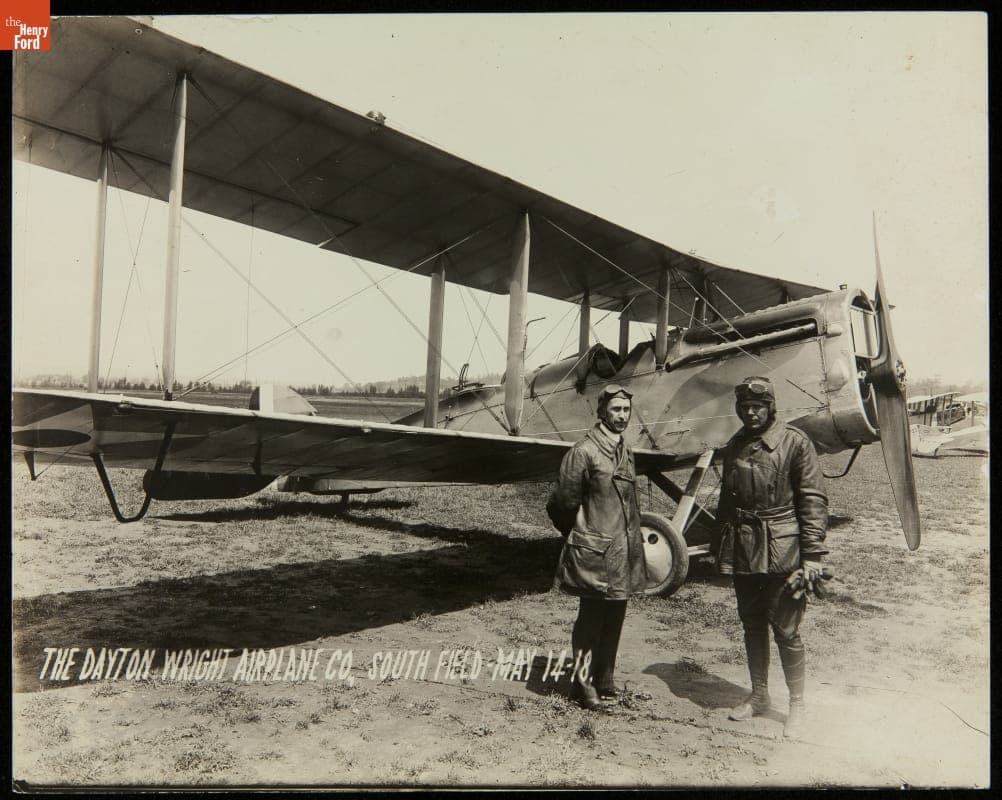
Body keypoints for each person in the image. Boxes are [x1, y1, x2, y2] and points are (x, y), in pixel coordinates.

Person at [713, 376, 829, 739]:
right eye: (745, 407)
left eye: (758, 407)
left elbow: (812, 500)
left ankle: (797, 705)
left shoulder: (795, 443)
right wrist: (722, 547)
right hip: (744, 548)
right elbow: (725, 503)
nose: (751, 413)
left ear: (771, 407)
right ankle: (759, 694)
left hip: (784, 548)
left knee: (786, 629)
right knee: (751, 622)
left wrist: (812, 555)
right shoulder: (736, 444)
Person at [546, 384, 646, 710]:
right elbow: (562, 503)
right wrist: (582, 535)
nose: (621, 416)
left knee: (615, 612)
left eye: (626, 410)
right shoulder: (584, 451)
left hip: (621, 550)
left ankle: (605, 679)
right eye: (615, 410)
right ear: (602, 412)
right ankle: (583, 684)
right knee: (590, 617)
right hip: (595, 551)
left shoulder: (625, 450)